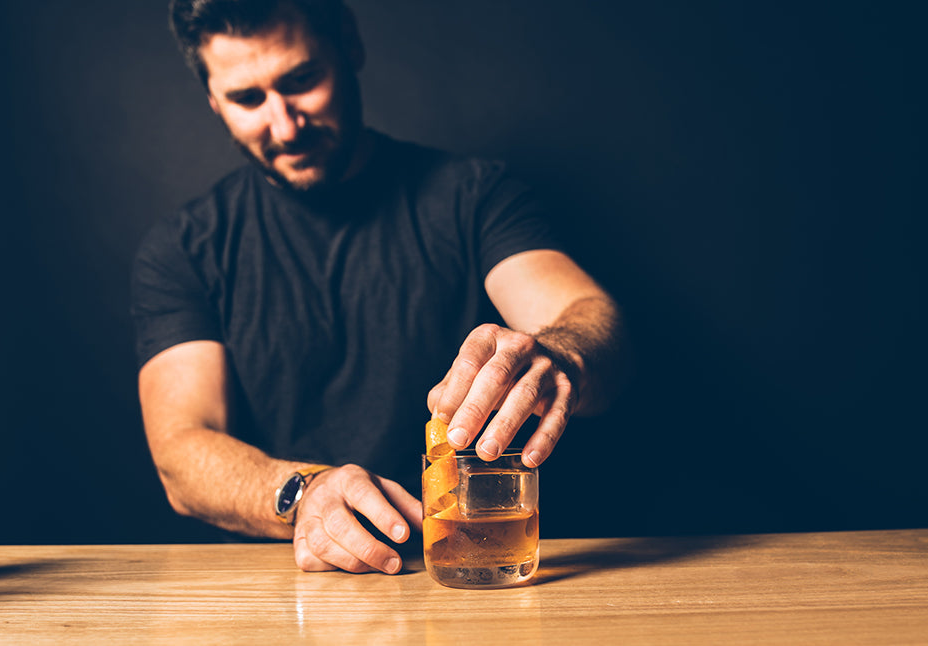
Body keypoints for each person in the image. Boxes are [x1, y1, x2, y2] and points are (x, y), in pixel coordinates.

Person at [132, 0, 630, 575]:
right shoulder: (183, 248)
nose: (285, 124)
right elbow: (180, 452)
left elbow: (589, 315)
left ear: (349, 45)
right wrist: (303, 494)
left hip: (473, 576)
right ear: (214, 100)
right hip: (279, 594)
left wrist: (562, 353)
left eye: (302, 81)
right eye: (249, 99)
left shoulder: (473, 197)